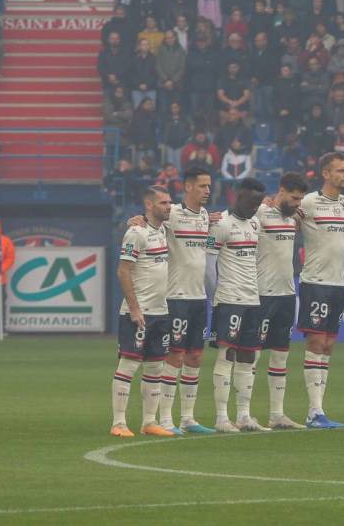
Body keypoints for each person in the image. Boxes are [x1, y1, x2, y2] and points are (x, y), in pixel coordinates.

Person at [130, 166, 216, 435]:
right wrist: (134, 220)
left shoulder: (204, 216)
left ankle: (188, 417)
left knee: (196, 356)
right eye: (202, 186)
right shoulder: (173, 213)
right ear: (188, 187)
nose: (208, 191)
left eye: (209, 186)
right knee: (174, 356)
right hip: (175, 297)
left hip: (198, 297)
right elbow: (147, 220)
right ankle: (165, 418)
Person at [205, 178, 268, 433]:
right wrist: (215, 295)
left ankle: (243, 415)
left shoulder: (255, 223)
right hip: (229, 299)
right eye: (252, 202)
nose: (255, 207)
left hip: (253, 298)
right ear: (237, 197)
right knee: (226, 354)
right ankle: (222, 417)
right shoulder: (220, 224)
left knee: (248, 355)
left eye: (258, 203)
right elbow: (209, 267)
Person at [111, 186, 173, 438]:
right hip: (138, 313)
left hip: (161, 310)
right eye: (163, 203)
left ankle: (149, 421)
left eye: (170, 202)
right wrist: (135, 308)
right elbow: (123, 270)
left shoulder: (164, 231)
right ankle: (118, 423)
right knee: (128, 365)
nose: (169, 206)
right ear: (149, 205)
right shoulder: (136, 232)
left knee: (156, 367)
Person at [296, 153, 344, 429]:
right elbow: (286, 218)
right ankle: (313, 411)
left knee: (328, 345)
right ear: (326, 174)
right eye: (340, 170)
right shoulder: (308, 202)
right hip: (315, 282)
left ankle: (319, 409)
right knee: (316, 343)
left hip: (338, 283)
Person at [253, 173, 309, 429]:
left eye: (301, 200)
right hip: (262, 294)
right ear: (282, 191)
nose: (298, 204)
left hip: (287, 294)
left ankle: (277, 414)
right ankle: (243, 413)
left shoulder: (294, 217)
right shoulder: (260, 214)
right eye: (295, 198)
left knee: (280, 356)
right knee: (250, 356)